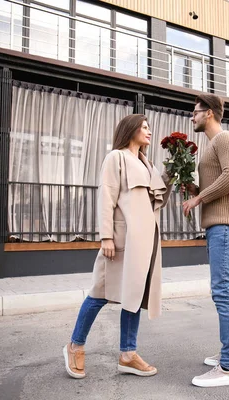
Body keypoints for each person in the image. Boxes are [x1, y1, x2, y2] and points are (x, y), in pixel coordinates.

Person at [63, 114, 171, 379]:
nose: (148, 131)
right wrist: (106, 237)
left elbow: (156, 201)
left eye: (148, 127)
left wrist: (173, 175)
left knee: (133, 296)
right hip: (121, 240)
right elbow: (106, 197)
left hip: (144, 242)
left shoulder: (146, 163)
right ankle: (75, 346)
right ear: (130, 130)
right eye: (143, 127)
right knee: (100, 293)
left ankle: (127, 355)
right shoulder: (116, 157)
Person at [182, 94, 229, 388]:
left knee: (223, 291)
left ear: (208, 113)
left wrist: (198, 197)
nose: (191, 117)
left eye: (195, 112)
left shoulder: (225, 139)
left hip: (225, 224)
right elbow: (217, 182)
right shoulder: (212, 146)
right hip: (220, 224)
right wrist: (194, 186)